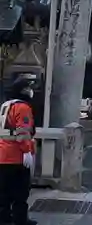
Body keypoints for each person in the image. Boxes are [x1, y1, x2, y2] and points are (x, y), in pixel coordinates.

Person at [0, 76, 37, 225]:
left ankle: (4, 218)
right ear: (23, 90)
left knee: (3, 192)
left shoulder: (5, 105)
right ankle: (20, 219)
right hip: (16, 155)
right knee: (20, 192)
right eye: (28, 88)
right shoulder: (23, 107)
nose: (30, 91)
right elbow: (23, 132)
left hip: (2, 154)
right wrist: (27, 151)